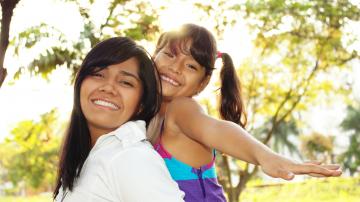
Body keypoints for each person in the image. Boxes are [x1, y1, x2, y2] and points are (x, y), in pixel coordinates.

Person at [147, 24, 342, 202]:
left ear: (202, 83)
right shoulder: (147, 116)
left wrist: (265, 156)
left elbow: (215, 129)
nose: (176, 67)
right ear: (154, 56)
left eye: (191, 66)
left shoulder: (181, 109)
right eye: (170, 55)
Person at [53, 37, 184, 201]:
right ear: (80, 84)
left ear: (141, 104)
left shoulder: (131, 158)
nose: (108, 88)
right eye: (98, 74)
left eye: (126, 82)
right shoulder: (87, 158)